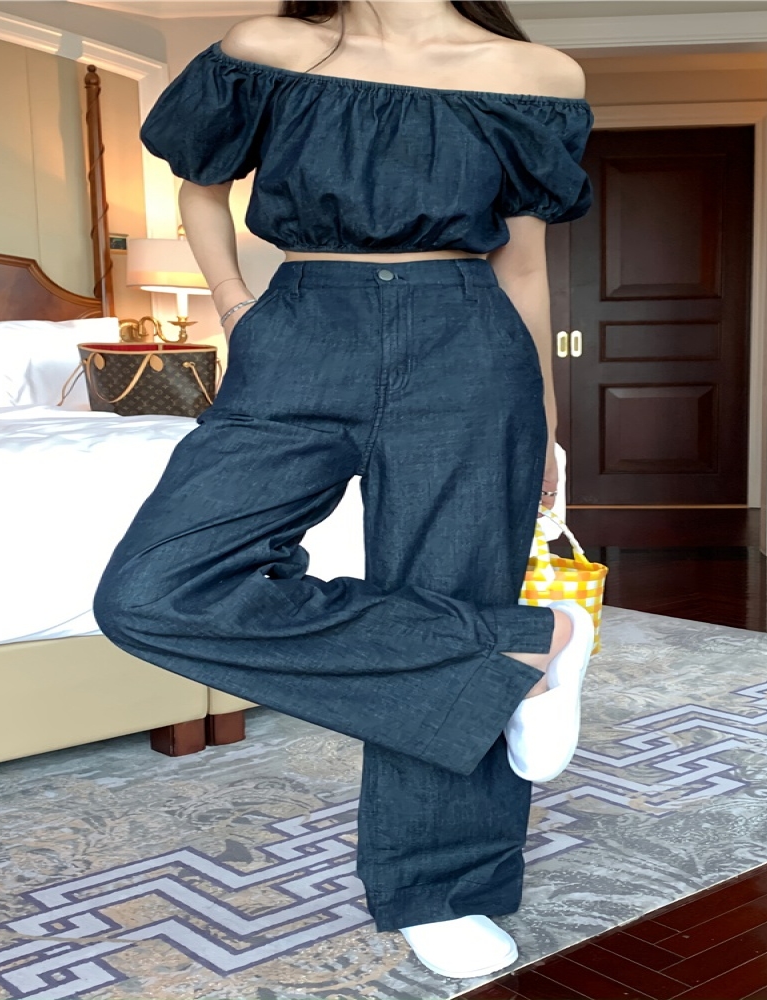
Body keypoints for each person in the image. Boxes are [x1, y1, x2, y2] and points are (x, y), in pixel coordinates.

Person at [93, 0, 597, 981]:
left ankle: (443, 887)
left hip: (467, 337)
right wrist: (238, 307)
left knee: (448, 588)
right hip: (300, 328)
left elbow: (526, 261)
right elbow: (201, 190)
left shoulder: (535, 76)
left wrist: (542, 414)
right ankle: (526, 646)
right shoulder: (265, 51)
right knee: (152, 592)